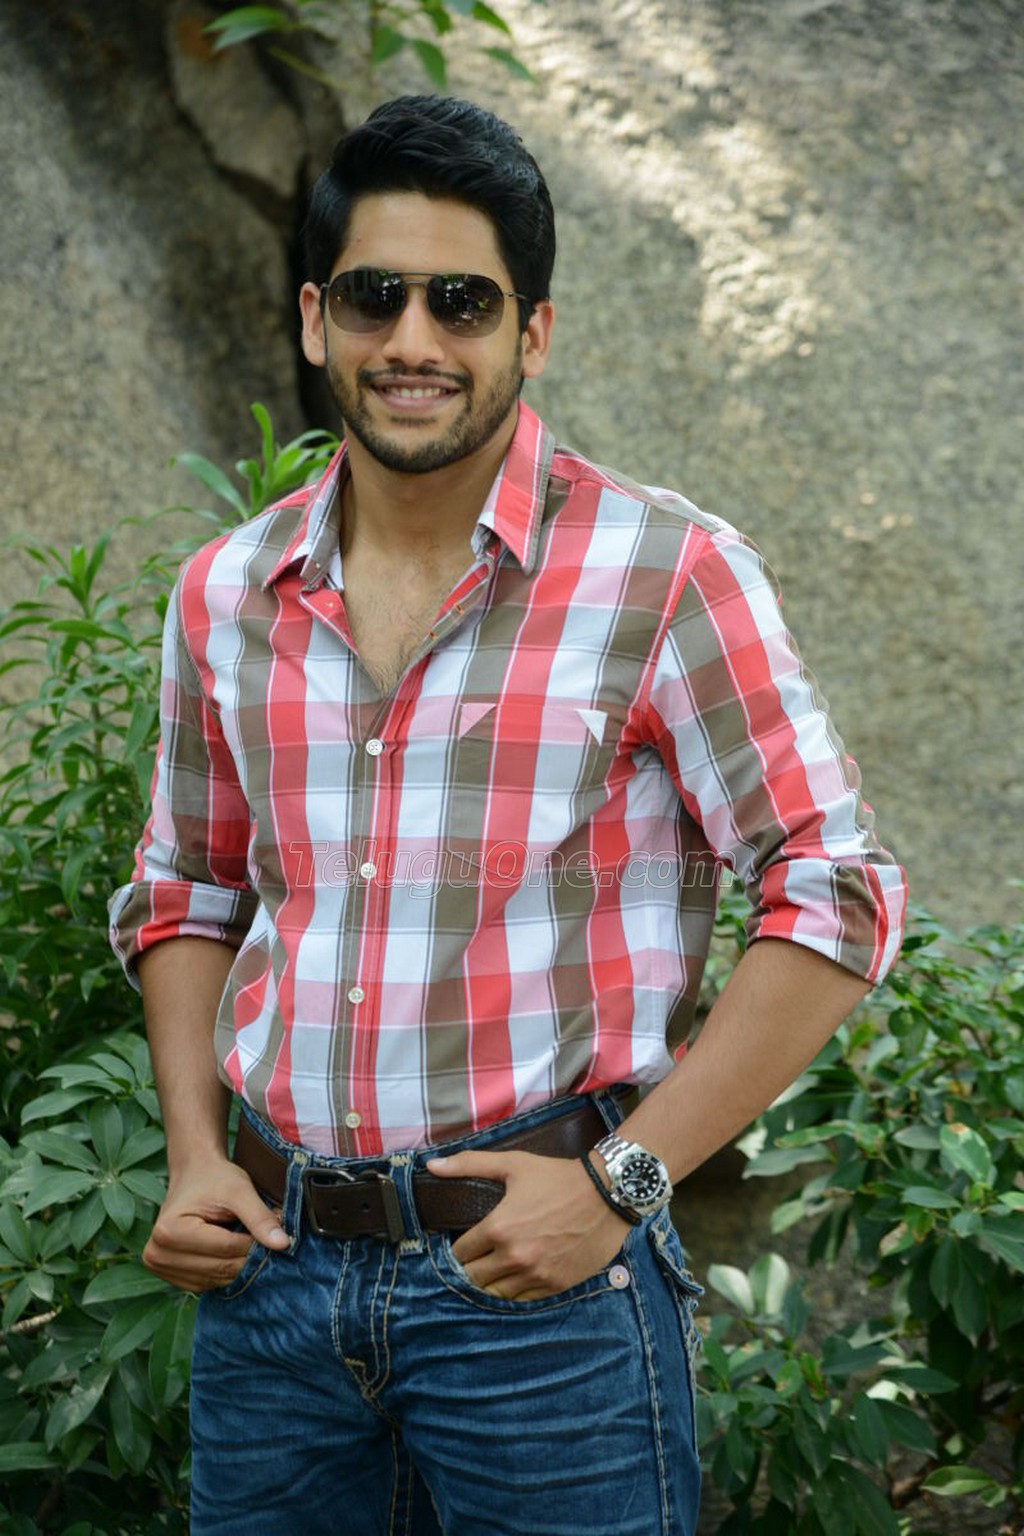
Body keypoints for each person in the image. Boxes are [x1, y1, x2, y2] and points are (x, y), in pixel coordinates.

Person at [109, 94, 906, 1536]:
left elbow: (837, 891)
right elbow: (187, 888)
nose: (413, 339)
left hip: (540, 1291)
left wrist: (622, 1183)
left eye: (462, 302)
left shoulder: (666, 576)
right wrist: (193, 1154)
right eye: (374, 296)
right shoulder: (225, 592)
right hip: (270, 1286)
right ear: (315, 320)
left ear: (532, 333)